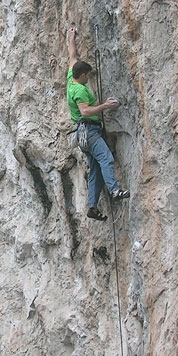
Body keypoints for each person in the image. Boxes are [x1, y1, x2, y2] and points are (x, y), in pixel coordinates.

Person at [67, 27, 130, 221]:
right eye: (89, 75)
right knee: (106, 159)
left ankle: (92, 207)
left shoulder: (72, 78)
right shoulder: (80, 91)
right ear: (84, 75)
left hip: (82, 135)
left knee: (95, 170)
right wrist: (106, 105)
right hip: (89, 131)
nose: (90, 77)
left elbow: (72, 56)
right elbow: (85, 111)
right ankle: (114, 191)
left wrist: (71, 37)